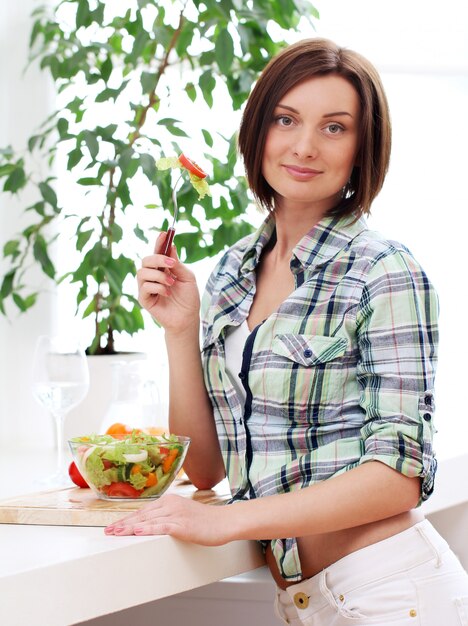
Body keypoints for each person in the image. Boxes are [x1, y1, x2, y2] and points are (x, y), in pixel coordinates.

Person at [105, 38, 468, 624]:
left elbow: (398, 478)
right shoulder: (230, 273)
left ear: (362, 147)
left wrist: (227, 520)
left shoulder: (385, 271)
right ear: (259, 131)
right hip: (304, 602)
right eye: (286, 119)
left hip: (391, 591)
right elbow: (206, 468)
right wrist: (179, 331)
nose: (303, 146)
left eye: (334, 127)